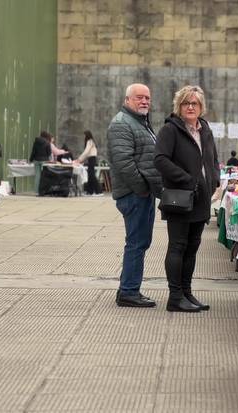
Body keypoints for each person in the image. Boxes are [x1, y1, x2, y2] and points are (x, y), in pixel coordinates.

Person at [155, 85, 219, 312]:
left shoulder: (205, 129)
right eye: (186, 103)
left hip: (201, 198)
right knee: (178, 246)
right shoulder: (170, 130)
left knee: (192, 247)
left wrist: (215, 180)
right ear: (179, 106)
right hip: (180, 198)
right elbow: (160, 160)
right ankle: (175, 297)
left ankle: (187, 293)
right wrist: (187, 180)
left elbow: (212, 159)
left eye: (195, 103)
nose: (190, 107)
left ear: (201, 107)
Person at [107, 83, 162, 308]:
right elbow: (124, 162)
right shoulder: (122, 124)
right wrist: (142, 188)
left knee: (140, 242)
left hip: (142, 193)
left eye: (147, 98)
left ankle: (128, 289)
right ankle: (129, 291)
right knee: (137, 243)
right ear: (128, 99)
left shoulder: (140, 122)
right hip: (134, 194)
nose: (144, 101)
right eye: (139, 97)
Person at [74, 130, 103, 195]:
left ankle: (99, 191)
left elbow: (86, 152)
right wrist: (80, 160)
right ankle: (90, 191)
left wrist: (79, 159)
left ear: (87, 135)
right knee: (90, 175)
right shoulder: (91, 141)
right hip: (91, 159)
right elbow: (87, 154)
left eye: (84, 135)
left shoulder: (90, 141)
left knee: (92, 175)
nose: (84, 137)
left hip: (92, 159)